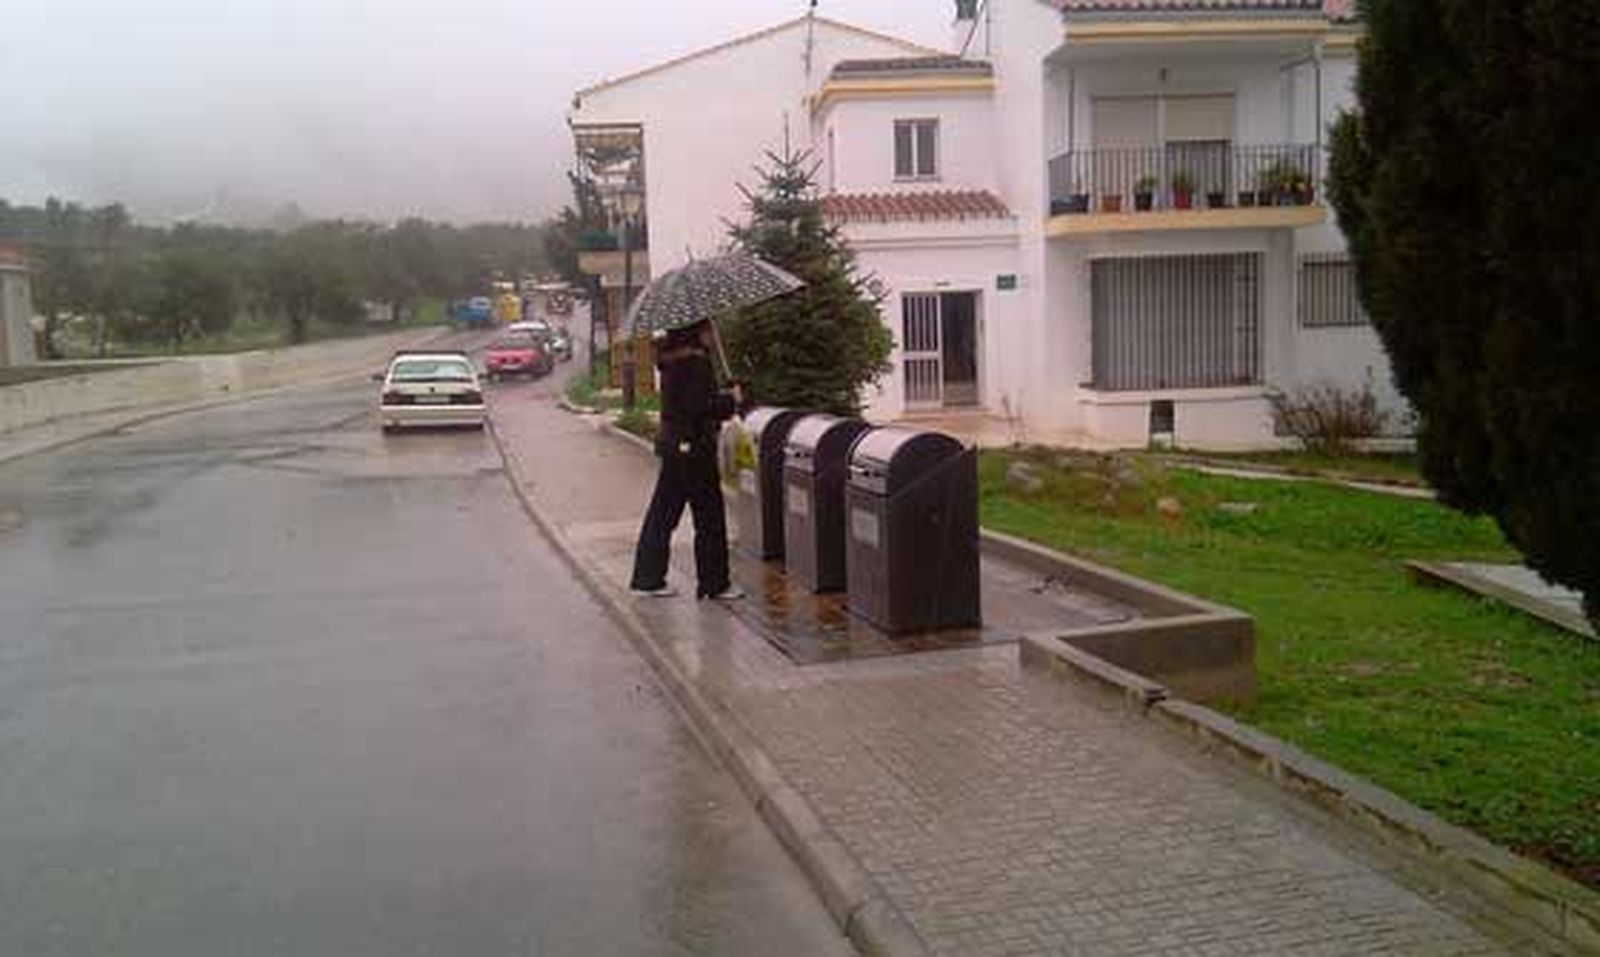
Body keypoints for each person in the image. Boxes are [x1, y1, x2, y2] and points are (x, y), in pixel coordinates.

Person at [629, 321, 745, 600]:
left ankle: (648, 578)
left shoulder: (670, 360)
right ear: (697, 333)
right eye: (708, 331)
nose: (712, 335)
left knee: (663, 514)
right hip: (695, 449)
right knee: (709, 517)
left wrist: (721, 395)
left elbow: (686, 402)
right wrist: (731, 401)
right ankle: (714, 583)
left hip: (674, 446)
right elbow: (699, 408)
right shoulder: (696, 363)